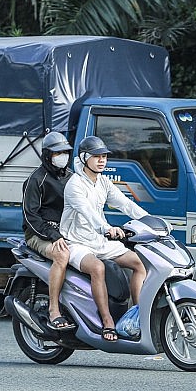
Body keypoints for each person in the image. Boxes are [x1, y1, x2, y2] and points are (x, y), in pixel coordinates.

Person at [60, 135, 149, 342]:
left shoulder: (103, 182)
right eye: (97, 156)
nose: (102, 160)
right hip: (76, 242)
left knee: (139, 263)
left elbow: (125, 204)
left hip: (98, 241)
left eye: (104, 156)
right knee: (97, 268)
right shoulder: (75, 184)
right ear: (83, 158)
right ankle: (107, 321)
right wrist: (107, 228)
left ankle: (137, 316)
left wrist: (151, 221)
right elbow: (87, 212)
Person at [22, 131, 75, 331]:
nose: (63, 156)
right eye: (57, 153)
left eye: (66, 152)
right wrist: (52, 235)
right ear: (47, 155)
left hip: (68, 232)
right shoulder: (36, 180)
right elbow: (31, 216)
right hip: (38, 235)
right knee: (62, 256)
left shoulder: (71, 178)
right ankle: (54, 310)